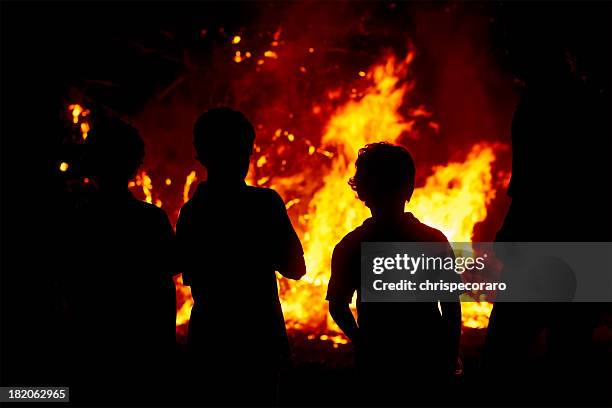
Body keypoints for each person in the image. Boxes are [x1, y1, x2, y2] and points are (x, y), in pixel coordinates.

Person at [176, 107, 306, 405]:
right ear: (247, 152)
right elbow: (296, 268)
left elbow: (181, 267)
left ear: (200, 154)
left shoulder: (194, 211)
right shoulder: (266, 204)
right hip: (260, 336)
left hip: (211, 338)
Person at [326, 142, 462, 406]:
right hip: (427, 359)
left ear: (362, 191)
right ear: (408, 189)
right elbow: (450, 305)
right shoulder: (432, 240)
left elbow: (338, 305)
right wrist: (450, 352)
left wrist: (361, 340)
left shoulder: (351, 245)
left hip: (378, 360)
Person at [65, 117, 176, 404]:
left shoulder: (78, 220)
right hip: (144, 352)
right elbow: (169, 274)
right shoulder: (151, 220)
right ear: (136, 164)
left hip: (92, 349)